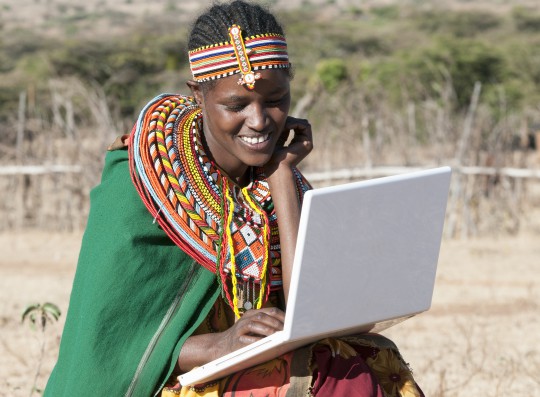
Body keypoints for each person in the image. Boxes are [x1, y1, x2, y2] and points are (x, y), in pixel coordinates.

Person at [44, 1, 424, 396]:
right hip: (170, 383)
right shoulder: (139, 186)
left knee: (350, 370)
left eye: (275, 100)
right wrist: (220, 344)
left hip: (259, 364)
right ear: (198, 95)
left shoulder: (273, 177)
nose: (259, 121)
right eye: (236, 105)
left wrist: (281, 178)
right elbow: (108, 343)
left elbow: (305, 315)